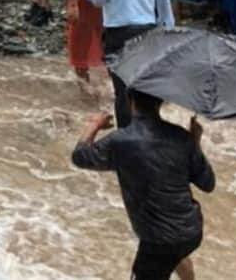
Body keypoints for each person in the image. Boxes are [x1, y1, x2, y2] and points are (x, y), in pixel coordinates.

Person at [71, 90, 214, 280]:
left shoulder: (121, 141)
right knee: (174, 255)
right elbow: (208, 183)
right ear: (160, 103)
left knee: (160, 259)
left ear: (130, 101)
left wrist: (95, 124)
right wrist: (194, 141)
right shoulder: (181, 137)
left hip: (158, 240)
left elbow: (80, 156)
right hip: (191, 231)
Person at [85, 0, 174, 128]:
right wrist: (168, 30)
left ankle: (126, 138)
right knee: (145, 89)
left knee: (122, 91)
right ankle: (150, 134)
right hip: (147, 32)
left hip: (118, 34)